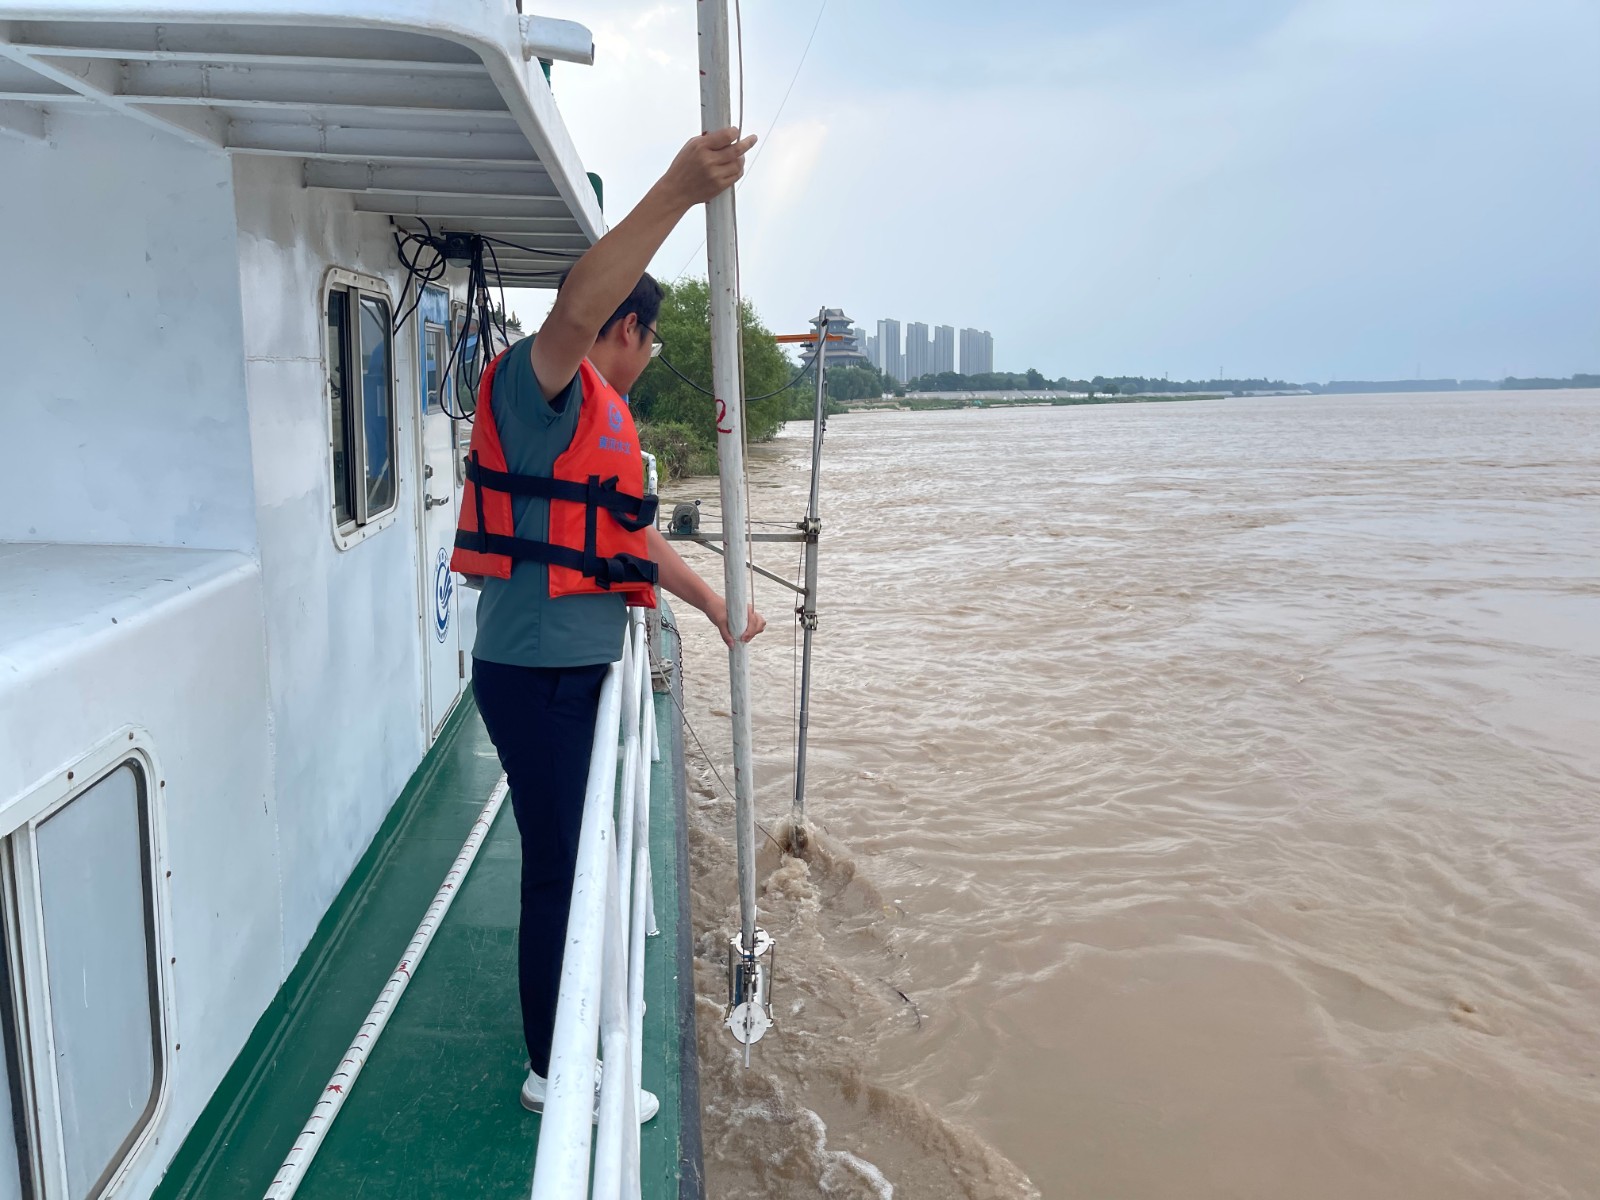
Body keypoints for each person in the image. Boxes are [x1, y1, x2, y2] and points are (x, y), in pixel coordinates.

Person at [453, 126, 767, 1121]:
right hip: (538, 677)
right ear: (622, 330)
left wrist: (714, 603)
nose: (652, 350)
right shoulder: (538, 389)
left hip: (570, 673)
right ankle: (555, 1069)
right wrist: (677, 189)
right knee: (559, 866)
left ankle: (565, 1045)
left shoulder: (606, 429)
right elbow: (578, 301)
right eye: (651, 334)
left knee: (574, 857)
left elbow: (626, 546)